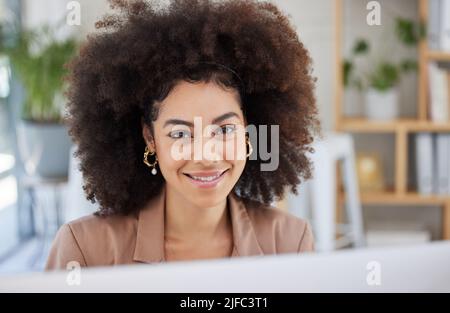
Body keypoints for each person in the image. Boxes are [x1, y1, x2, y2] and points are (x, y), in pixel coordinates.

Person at [46, 0, 319, 270]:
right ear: (150, 139)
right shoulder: (84, 251)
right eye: (180, 134)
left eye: (224, 130)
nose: (206, 155)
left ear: (248, 130)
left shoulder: (290, 244)